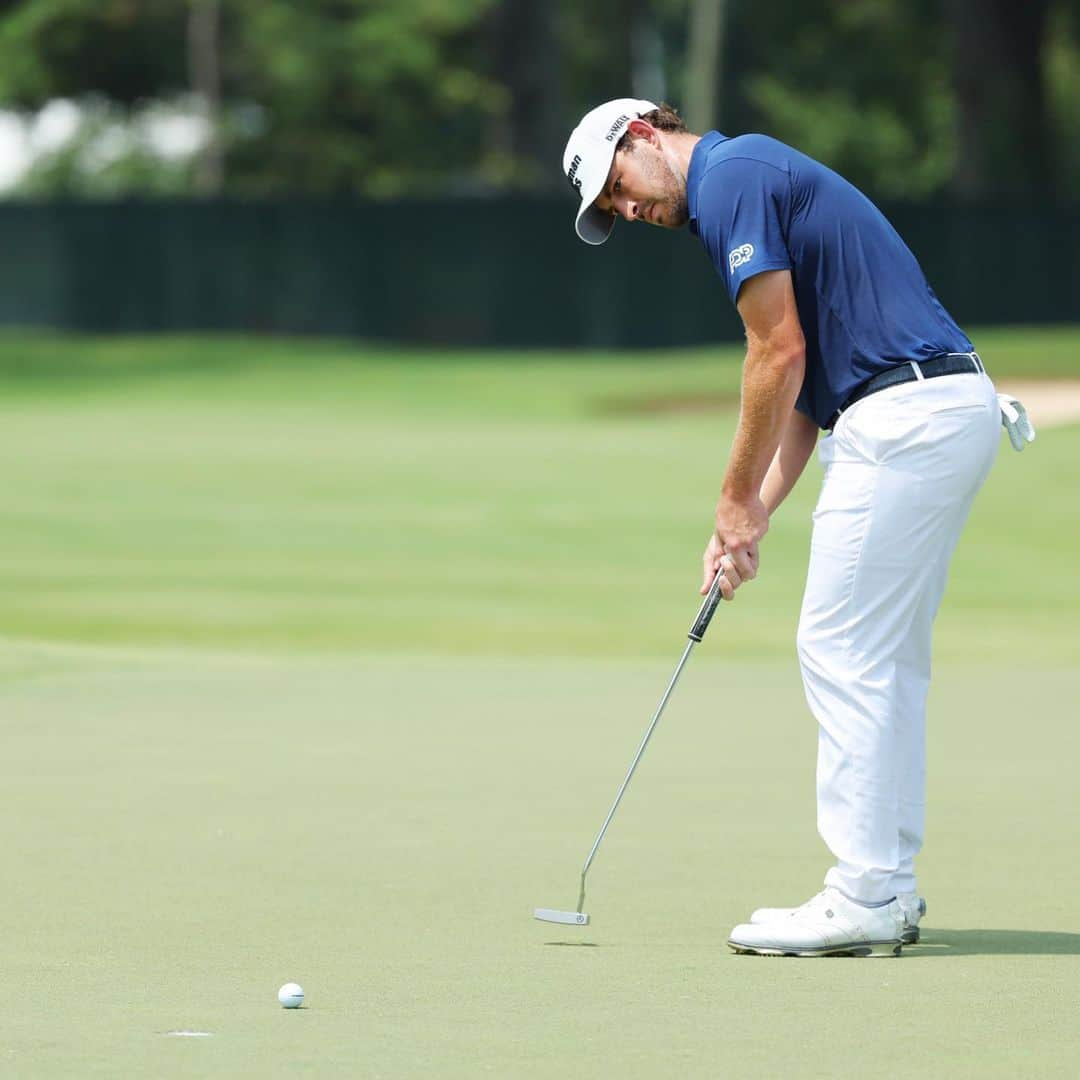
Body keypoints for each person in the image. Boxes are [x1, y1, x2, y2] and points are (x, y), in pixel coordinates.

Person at [562, 99, 1033, 957]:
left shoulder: (731, 175)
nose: (626, 211)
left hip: (905, 413)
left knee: (841, 647)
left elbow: (773, 355)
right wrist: (750, 523)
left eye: (617, 188)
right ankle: (884, 886)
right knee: (879, 660)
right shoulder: (739, 191)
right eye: (610, 211)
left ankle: (864, 893)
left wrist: (732, 497)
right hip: (932, 408)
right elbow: (806, 400)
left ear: (640, 134)